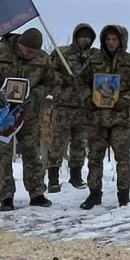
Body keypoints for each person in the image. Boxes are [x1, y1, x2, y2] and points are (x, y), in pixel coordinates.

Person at [0, 28, 55, 211]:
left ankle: (37, 193)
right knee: (2, 155)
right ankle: (6, 196)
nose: (31, 55)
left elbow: (50, 82)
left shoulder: (43, 59)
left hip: (28, 114)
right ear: (20, 45)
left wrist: (36, 95)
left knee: (32, 153)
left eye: (35, 52)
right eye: (28, 51)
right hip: (1, 115)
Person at [80, 24, 130, 210]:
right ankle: (94, 193)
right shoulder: (93, 60)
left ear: (121, 41)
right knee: (94, 157)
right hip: (97, 118)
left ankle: (123, 195)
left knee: (123, 158)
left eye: (115, 39)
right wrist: (88, 98)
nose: (111, 43)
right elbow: (81, 82)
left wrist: (126, 99)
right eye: (108, 39)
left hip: (120, 118)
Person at [47, 23, 96, 192]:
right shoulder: (62, 53)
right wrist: (63, 80)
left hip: (83, 107)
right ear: (76, 37)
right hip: (63, 105)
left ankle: (76, 176)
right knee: (57, 142)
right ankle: (53, 178)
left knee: (80, 143)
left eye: (88, 37)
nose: (86, 40)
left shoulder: (94, 56)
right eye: (83, 37)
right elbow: (49, 72)